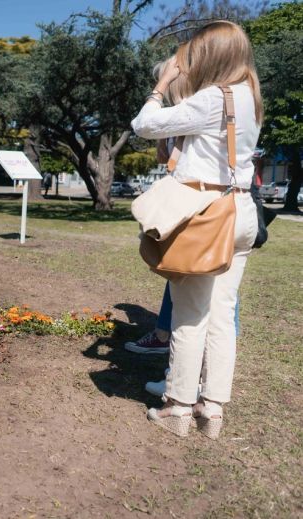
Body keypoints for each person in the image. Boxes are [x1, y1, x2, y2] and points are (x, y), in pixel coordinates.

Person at [131, 21, 262, 439]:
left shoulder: (211, 98)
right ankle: (213, 407)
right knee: (222, 315)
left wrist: (161, 85)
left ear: (215, 55)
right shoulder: (250, 97)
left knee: (190, 314)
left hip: (206, 210)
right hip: (239, 210)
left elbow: (144, 125)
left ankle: (178, 407)